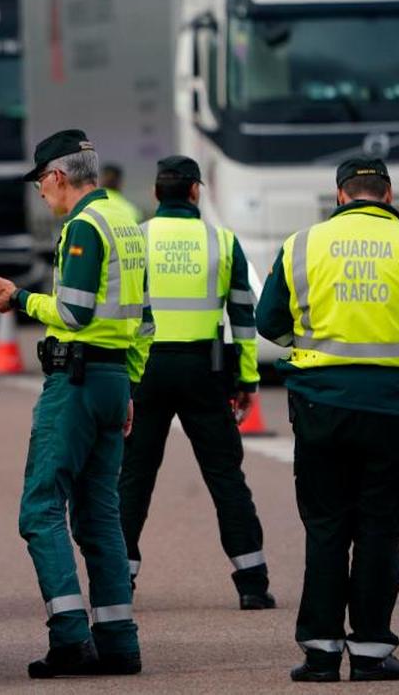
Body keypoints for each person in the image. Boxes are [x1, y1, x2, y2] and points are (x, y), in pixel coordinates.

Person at [257, 157, 399, 683]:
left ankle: (321, 654)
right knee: (378, 529)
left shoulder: (302, 245)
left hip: (320, 406)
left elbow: (270, 324)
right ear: (388, 196)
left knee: (326, 528)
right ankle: (371, 651)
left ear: (341, 196)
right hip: (396, 409)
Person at [0, 129, 146, 678]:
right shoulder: (125, 219)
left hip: (74, 381)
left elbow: (73, 312)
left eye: (41, 185)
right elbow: (144, 320)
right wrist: (128, 389)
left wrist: (18, 297)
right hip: (113, 379)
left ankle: (71, 638)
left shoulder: (83, 227)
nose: (42, 196)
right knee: (100, 515)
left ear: (56, 176)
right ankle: (120, 641)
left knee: (41, 509)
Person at [119, 155, 275, 610]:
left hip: (144, 370)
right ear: (194, 192)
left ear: (155, 194)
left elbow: (120, 310)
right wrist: (246, 378)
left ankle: (120, 583)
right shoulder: (222, 242)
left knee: (133, 478)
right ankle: (253, 583)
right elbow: (244, 319)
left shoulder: (137, 239)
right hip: (204, 371)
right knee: (225, 476)